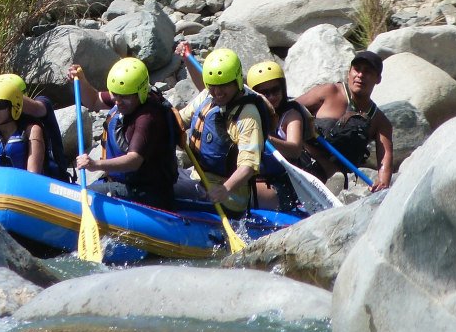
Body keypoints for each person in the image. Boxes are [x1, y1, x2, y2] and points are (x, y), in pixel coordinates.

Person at [67, 57, 178, 210]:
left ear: (141, 92)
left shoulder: (147, 118)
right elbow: (93, 101)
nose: (118, 101)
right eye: (115, 95)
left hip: (146, 192)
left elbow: (134, 160)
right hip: (120, 181)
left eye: (124, 96)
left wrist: (95, 165)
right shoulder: (126, 95)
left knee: (81, 199)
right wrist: (81, 80)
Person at [174, 47, 268, 217]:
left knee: (161, 187)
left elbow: (248, 166)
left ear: (237, 82)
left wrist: (225, 189)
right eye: (212, 86)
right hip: (197, 177)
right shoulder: (208, 97)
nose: (217, 92)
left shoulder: (248, 116)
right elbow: (178, 121)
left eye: (223, 86)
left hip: (226, 196)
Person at [296, 51, 394, 191]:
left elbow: (385, 157)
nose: (360, 75)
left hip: (325, 179)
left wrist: (382, 183)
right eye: (357, 69)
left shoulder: (380, 122)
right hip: (296, 160)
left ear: (378, 79)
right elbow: (288, 110)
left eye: (367, 71)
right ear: (349, 73)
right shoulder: (328, 92)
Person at [246, 60, 314, 211]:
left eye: (275, 90)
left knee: (236, 193)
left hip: (282, 186)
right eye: (265, 93)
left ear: (283, 89)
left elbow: (295, 149)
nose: (271, 96)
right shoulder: (248, 115)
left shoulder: (291, 115)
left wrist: (265, 138)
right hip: (253, 179)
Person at [0, 75, 48, 175]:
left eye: (0, 104)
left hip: (23, 187)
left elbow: (33, 175)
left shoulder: (32, 131)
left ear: (13, 106)